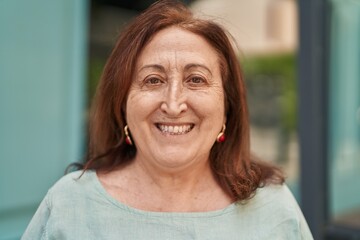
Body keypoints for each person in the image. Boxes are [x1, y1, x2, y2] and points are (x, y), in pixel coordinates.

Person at [22, 0, 313, 239]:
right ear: (122, 104)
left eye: (196, 79)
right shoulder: (69, 206)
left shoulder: (274, 209)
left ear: (227, 109)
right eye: (152, 80)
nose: (173, 105)